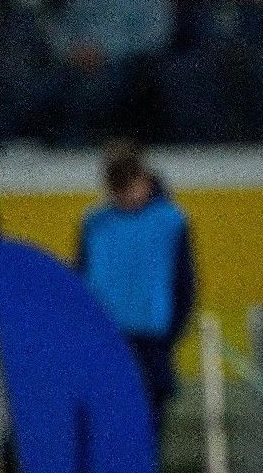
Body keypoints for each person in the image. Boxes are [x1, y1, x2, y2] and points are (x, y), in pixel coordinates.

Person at [77, 142, 196, 441]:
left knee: (146, 435)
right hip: (104, 341)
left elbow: (185, 286)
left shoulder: (170, 221)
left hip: (151, 344)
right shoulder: (95, 223)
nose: (123, 195)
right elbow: (81, 280)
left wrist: (168, 337)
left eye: (127, 184)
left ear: (143, 178)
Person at [49, 0, 175, 144]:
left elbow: (156, 38)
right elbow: (60, 31)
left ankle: (74, 149)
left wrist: (103, 52)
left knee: (90, 92)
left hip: (125, 66)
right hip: (74, 63)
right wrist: (72, 53)